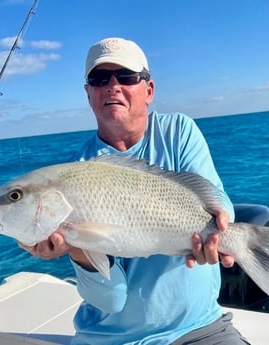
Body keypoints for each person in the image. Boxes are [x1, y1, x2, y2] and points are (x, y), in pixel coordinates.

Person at [21, 37, 249, 345]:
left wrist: (221, 226)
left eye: (126, 77)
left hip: (200, 328)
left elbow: (218, 204)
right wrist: (76, 247)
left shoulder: (178, 131)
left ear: (149, 90)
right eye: (100, 79)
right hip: (109, 338)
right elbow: (110, 300)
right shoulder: (77, 171)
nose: (113, 85)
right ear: (88, 94)